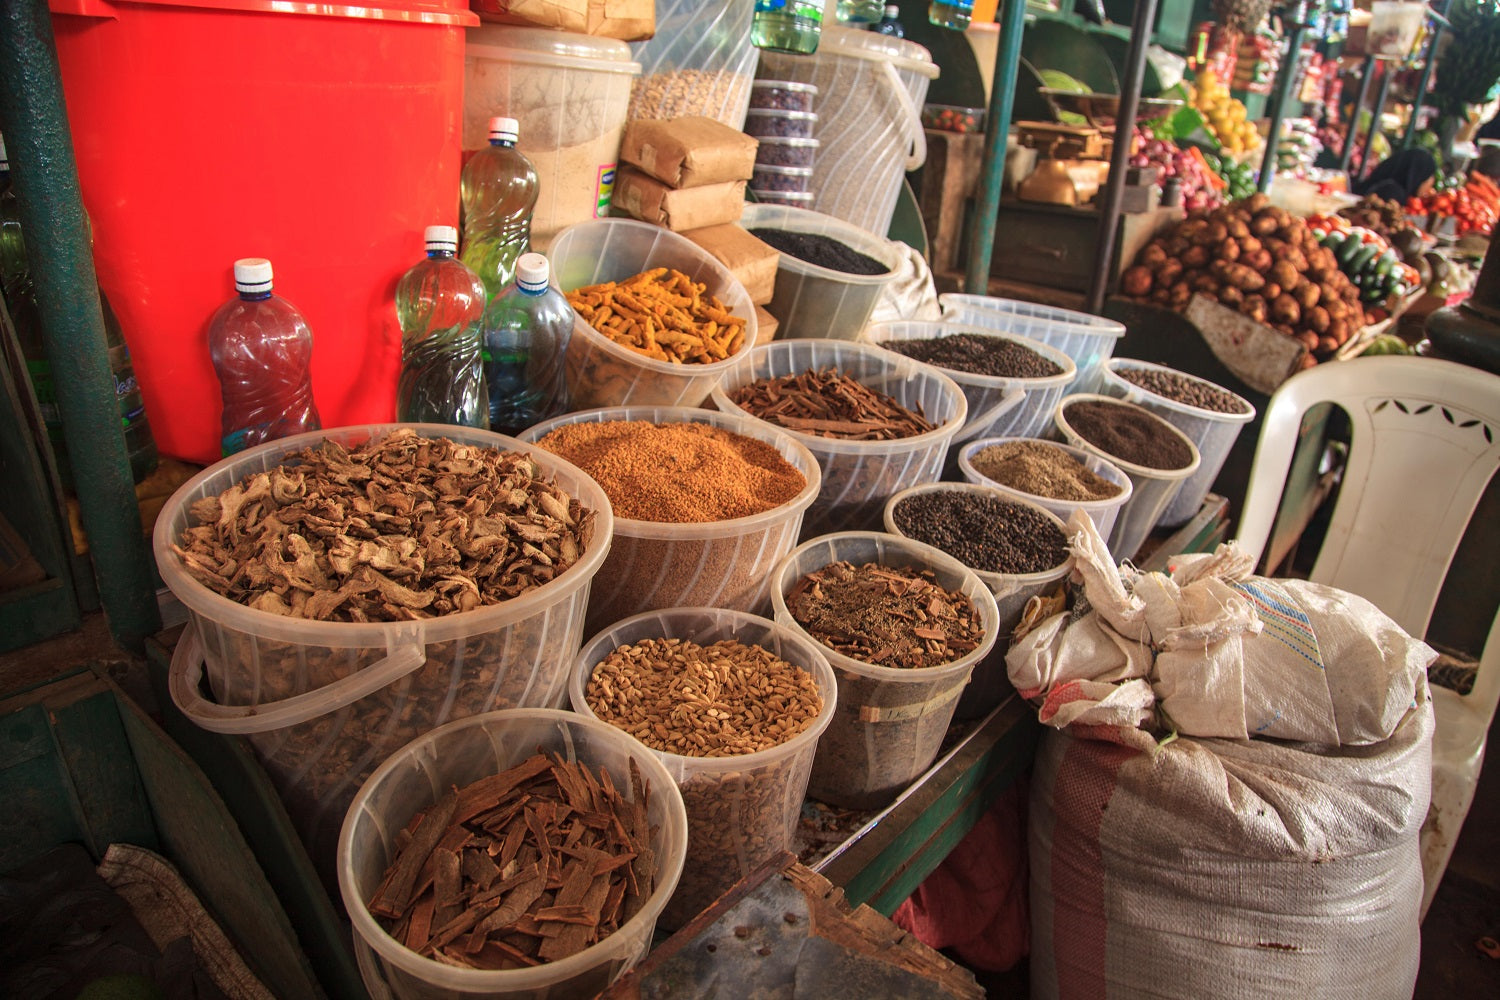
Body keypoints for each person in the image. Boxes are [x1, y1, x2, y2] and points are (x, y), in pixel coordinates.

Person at [1353, 148, 1437, 202]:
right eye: (1429, 176)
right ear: (1419, 175)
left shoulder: (1388, 186)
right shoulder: (1393, 194)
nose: (1430, 186)